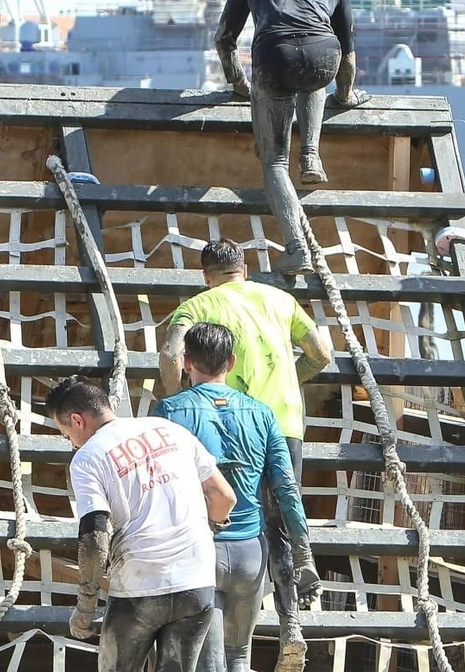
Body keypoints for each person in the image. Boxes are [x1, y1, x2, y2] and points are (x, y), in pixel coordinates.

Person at [159, 239, 334, 667]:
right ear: (246, 269)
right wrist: (292, 377)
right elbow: (321, 354)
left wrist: (180, 396)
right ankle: (291, 620)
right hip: (283, 420)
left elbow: (170, 353)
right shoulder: (281, 300)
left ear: (206, 276)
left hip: (226, 422)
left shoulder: (197, 306)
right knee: (279, 519)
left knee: (231, 516)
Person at [154, 323, 317, 672]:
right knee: (239, 656)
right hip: (250, 553)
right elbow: (286, 489)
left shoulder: (169, 412)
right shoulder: (263, 414)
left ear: (186, 363)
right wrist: (303, 553)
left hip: (199, 551)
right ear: (230, 363)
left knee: (206, 662)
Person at [49, 375, 235, 672]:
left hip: (139, 586)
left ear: (77, 420)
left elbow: (94, 540)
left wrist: (85, 607)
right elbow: (224, 496)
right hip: (196, 580)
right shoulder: (170, 430)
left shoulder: (88, 457)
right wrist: (205, 531)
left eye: (66, 434)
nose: (71, 442)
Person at [214, 0, 368, 273]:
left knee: (274, 163)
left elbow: (224, 39)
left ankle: (297, 249)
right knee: (313, 73)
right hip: (324, 57)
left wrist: (240, 84)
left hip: (274, 57)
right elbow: (348, 57)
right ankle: (311, 156)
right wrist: (346, 96)